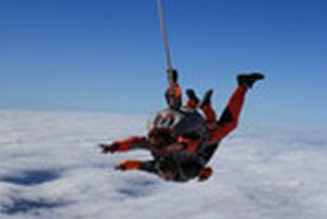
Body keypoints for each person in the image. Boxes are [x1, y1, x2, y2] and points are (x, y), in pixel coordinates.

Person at [100, 72, 264, 182]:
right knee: (223, 125)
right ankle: (239, 88)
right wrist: (204, 173)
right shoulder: (187, 172)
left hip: (187, 131)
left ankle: (193, 102)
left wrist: (116, 148)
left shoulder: (157, 162)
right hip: (204, 144)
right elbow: (195, 152)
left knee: (183, 115)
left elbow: (136, 154)